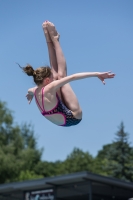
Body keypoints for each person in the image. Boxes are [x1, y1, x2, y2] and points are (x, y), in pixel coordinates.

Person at [20, 21, 115, 127]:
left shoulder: (34, 90)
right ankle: (54, 39)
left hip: (61, 118)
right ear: (46, 80)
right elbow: (73, 77)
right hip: (73, 117)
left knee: (56, 76)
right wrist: (97, 74)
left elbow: (32, 91)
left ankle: (49, 39)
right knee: (61, 77)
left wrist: (31, 95)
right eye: (50, 77)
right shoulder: (44, 88)